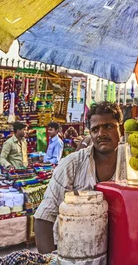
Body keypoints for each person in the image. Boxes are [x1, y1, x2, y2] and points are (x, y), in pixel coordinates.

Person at [34, 102, 126, 254]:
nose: (101, 133)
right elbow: (43, 218)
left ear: (121, 129)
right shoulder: (71, 164)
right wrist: (50, 261)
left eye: (108, 126)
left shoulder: (134, 165)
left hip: (119, 251)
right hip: (72, 252)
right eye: (95, 129)